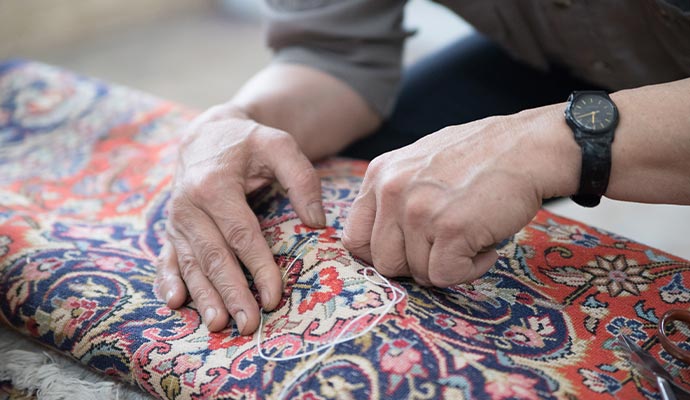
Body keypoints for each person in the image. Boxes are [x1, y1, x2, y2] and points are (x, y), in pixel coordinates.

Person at [155, 0, 690, 335]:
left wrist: (556, 141)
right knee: (373, 180)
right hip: (554, 52)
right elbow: (334, 56)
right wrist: (238, 119)